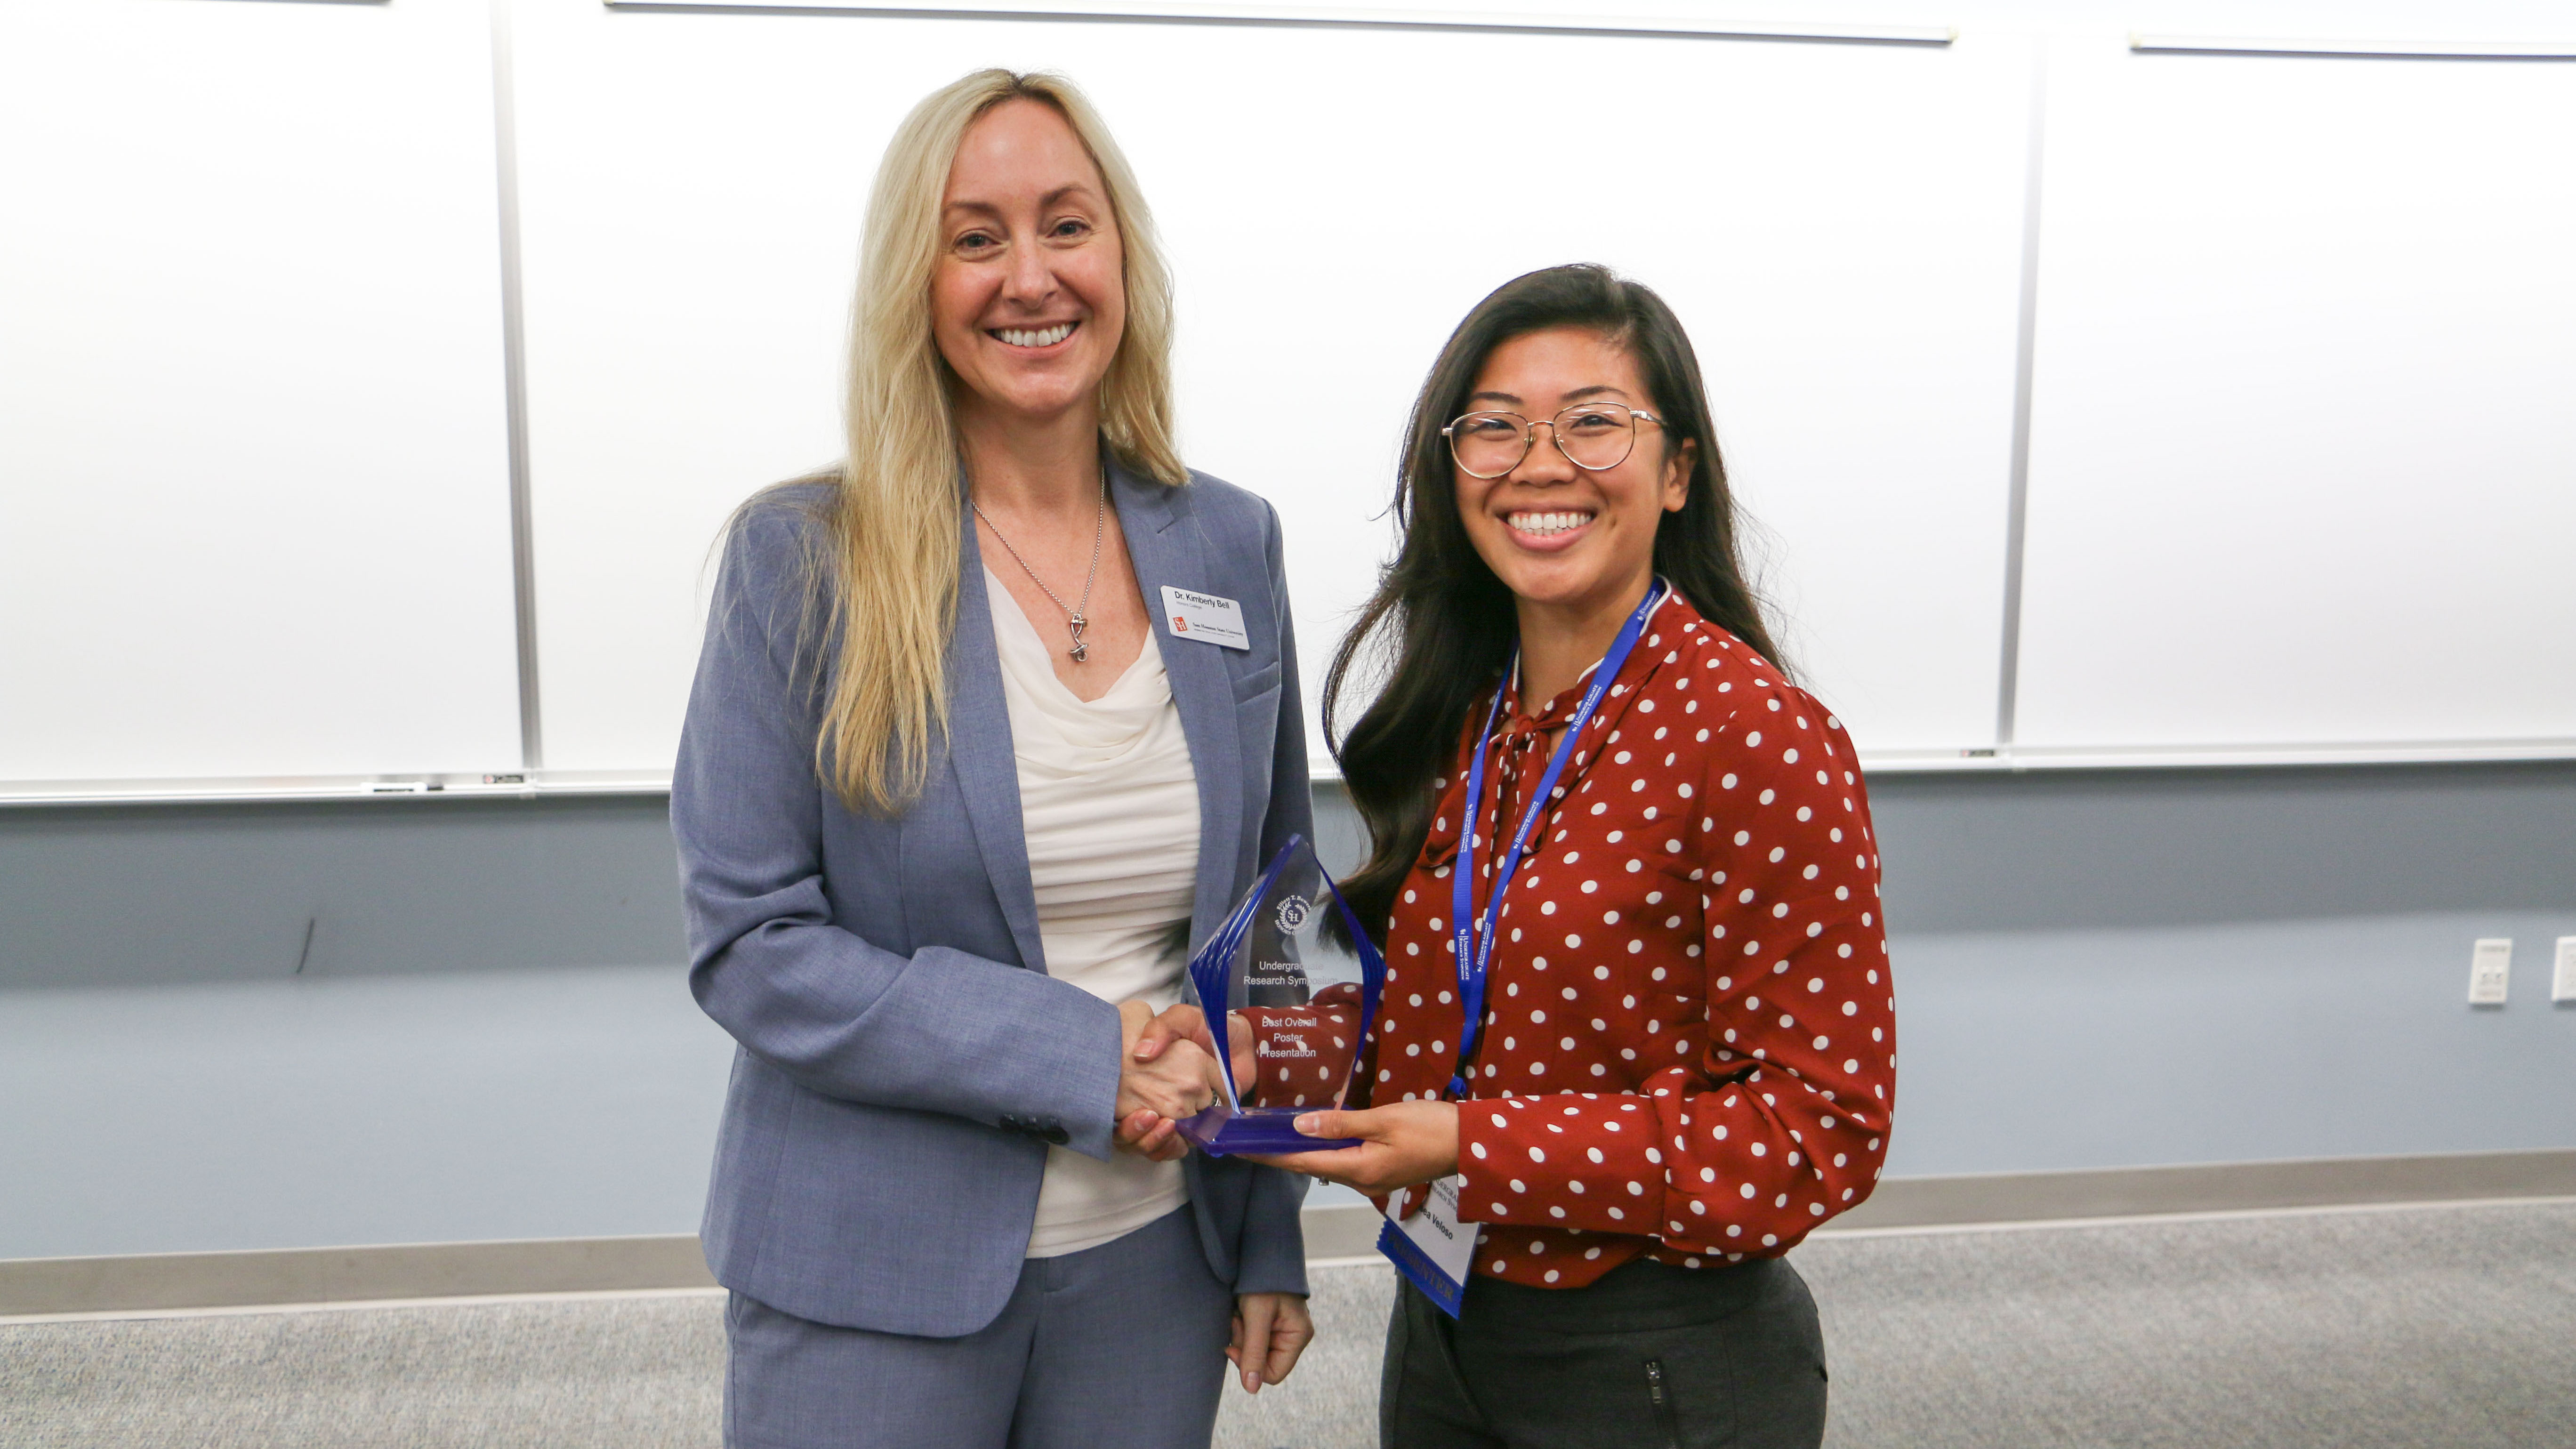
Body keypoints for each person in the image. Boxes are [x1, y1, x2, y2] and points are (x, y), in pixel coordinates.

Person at [671, 69, 1313, 1449]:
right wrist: (1086, 1053)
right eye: (976, 237)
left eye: (1067, 225)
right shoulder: (803, 561)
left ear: (1123, 257)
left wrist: (1269, 1218)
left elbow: (1277, 916)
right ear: (918, 277)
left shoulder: (1230, 543)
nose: (1031, 276)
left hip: (1158, 1253)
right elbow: (751, 939)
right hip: (871, 1271)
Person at [1260, 264, 1896, 1448]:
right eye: (1494, 428)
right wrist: (1263, 1057)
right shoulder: (1470, 712)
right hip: (1446, 1322)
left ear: (1678, 472)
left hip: (1654, 1354)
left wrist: (1473, 1144)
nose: (1539, 463)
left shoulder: (1752, 735)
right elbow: (1457, 1008)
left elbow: (1819, 1131)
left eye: (1593, 422)